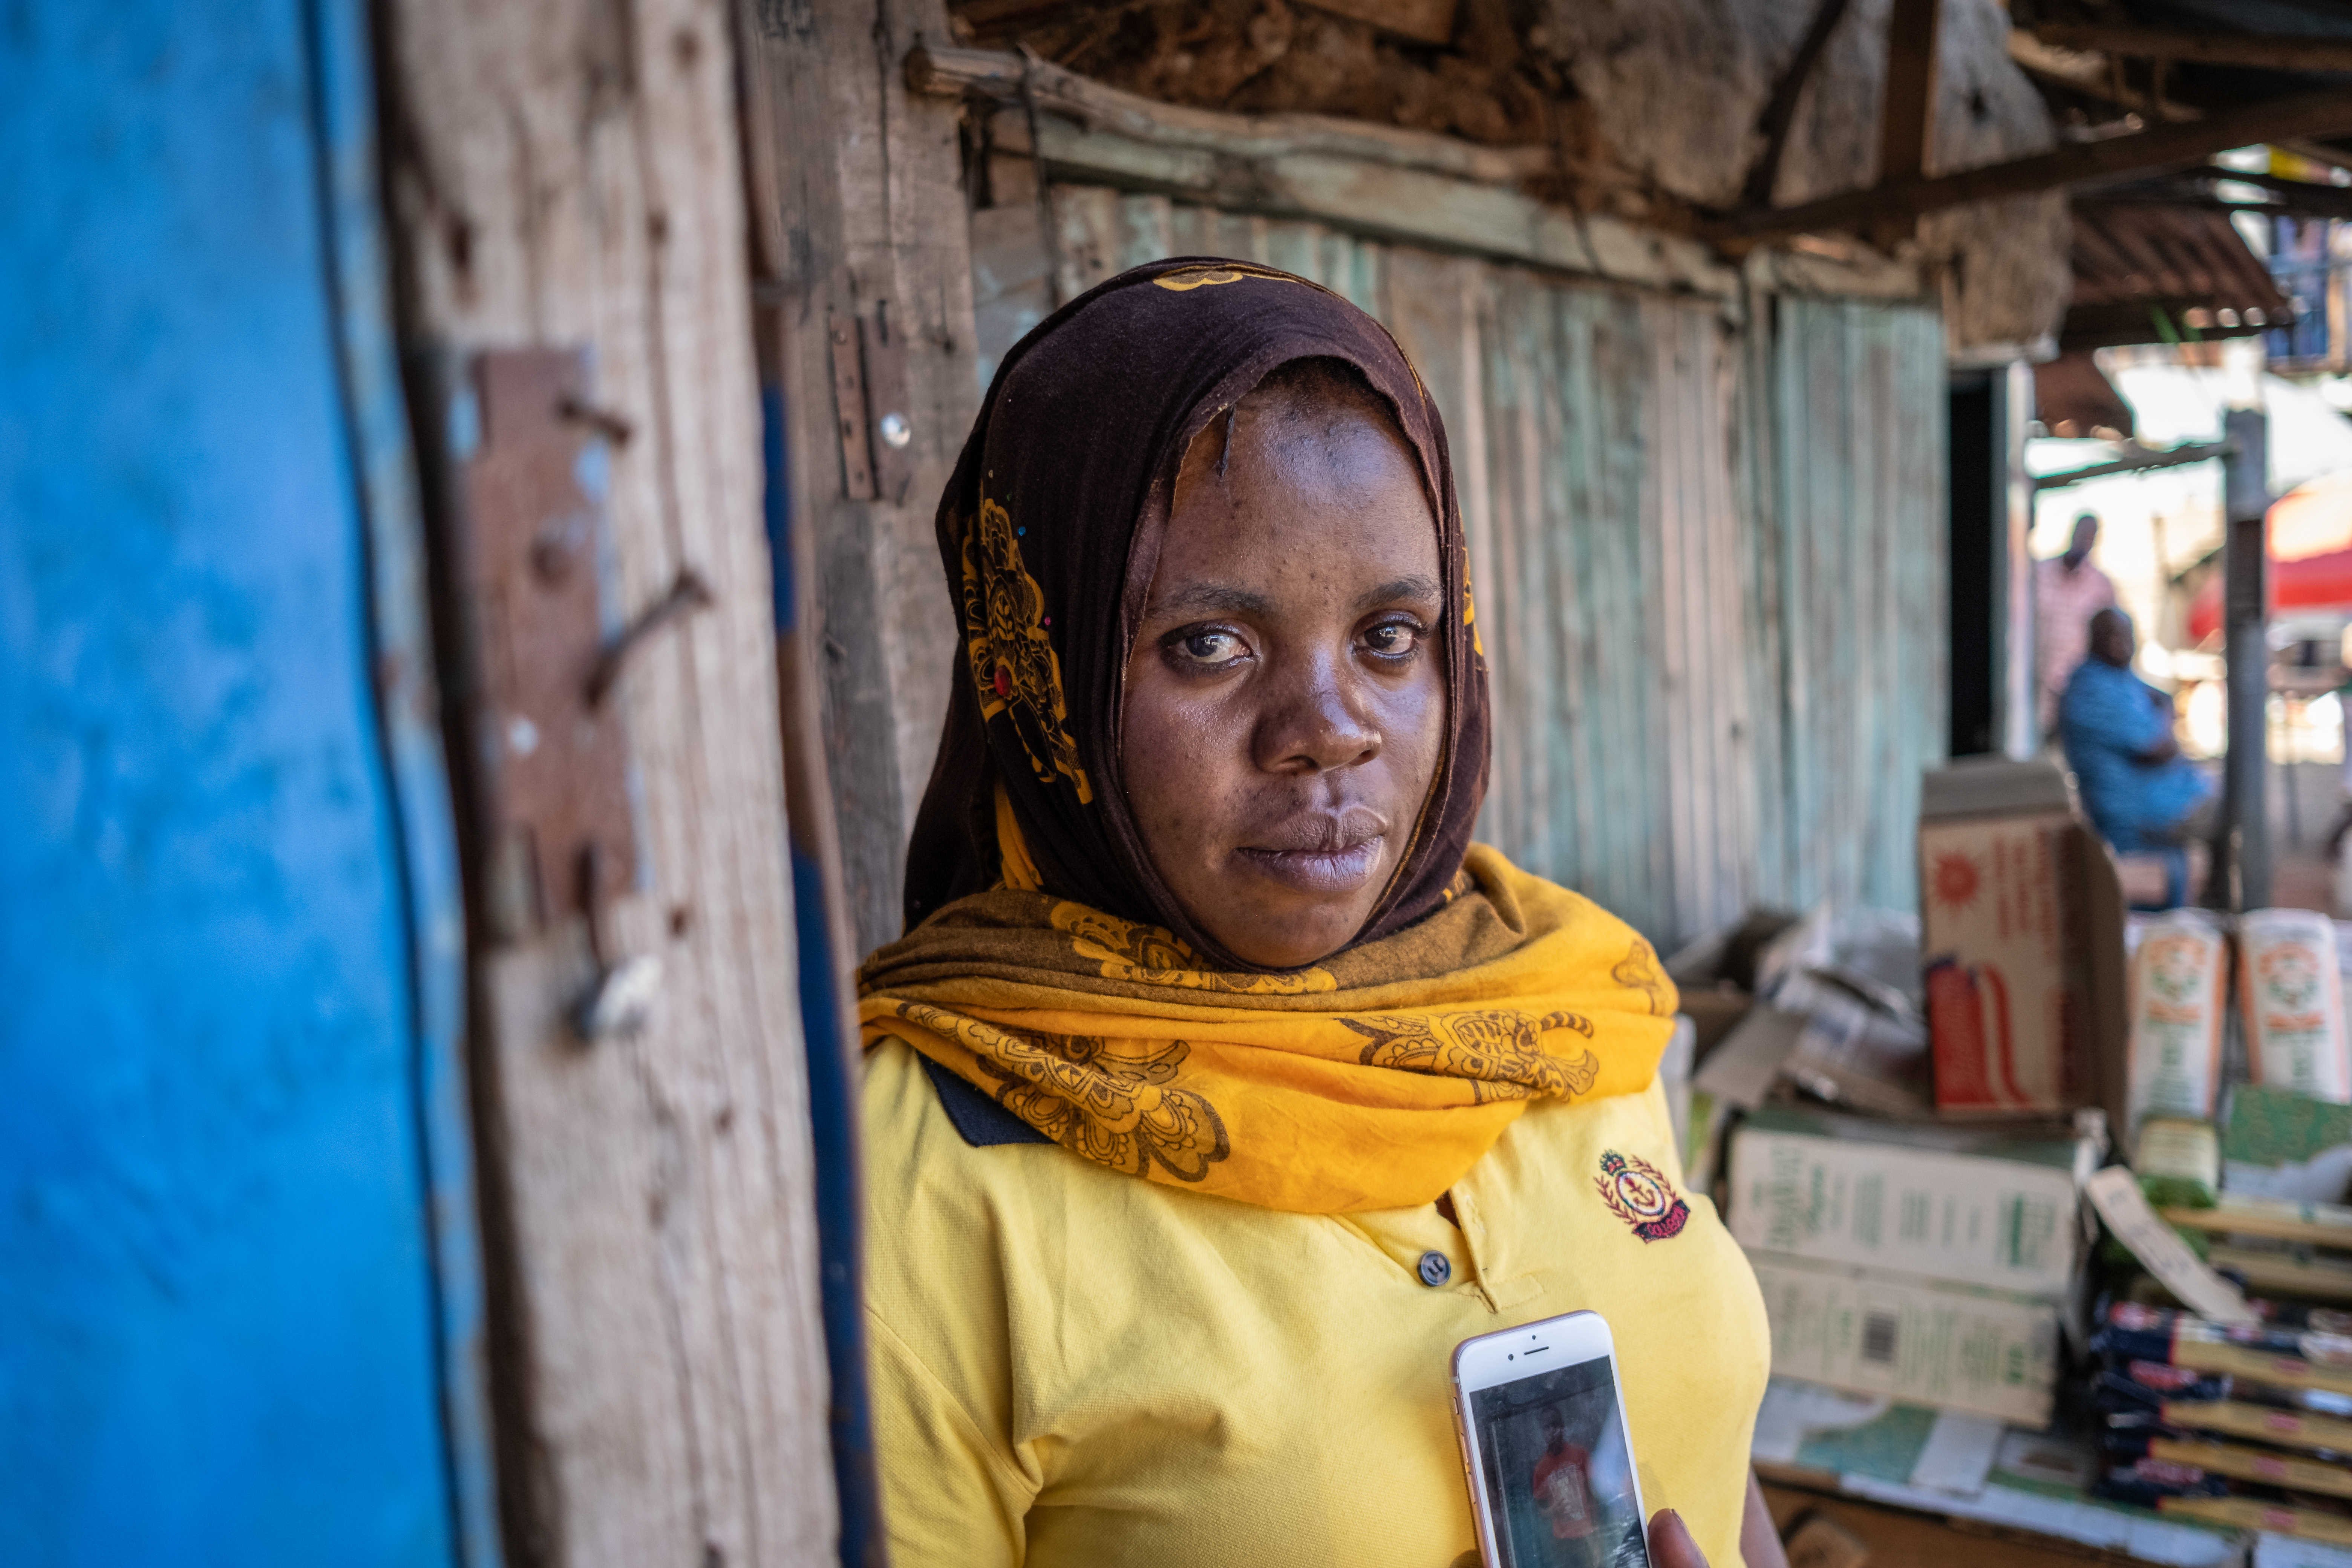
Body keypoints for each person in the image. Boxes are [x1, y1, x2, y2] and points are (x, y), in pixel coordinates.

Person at [857, 258, 1778, 1568]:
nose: (1327, 734)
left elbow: (1718, 1468)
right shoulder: (920, 1184)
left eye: (1390, 637)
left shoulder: (1569, 1001)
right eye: (1207, 645)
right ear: (1042, 676)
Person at [2060, 608, 2216, 908]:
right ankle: (2219, 910)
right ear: (2093, 641)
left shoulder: (2118, 678)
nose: (2123, 645)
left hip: (2159, 800)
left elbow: (2162, 700)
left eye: (2127, 637)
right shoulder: (2093, 688)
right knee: (2237, 810)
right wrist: (2166, 718)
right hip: (2133, 813)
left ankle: (2203, 915)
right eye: (2113, 637)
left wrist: (2163, 712)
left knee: (2225, 799)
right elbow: (2159, 750)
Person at [2037, 512, 2117, 741]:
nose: (2084, 540)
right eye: (2082, 533)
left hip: (2075, 688)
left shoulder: (2101, 586)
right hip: (2038, 684)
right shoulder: (2040, 573)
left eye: (2090, 536)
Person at [1531, 1404, 1599, 1565]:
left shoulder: (1580, 1454)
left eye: (1555, 1425)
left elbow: (1594, 1496)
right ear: (1542, 1432)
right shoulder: (1541, 1469)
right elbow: (1539, 1511)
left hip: (1586, 1534)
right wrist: (1552, 1511)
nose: (1552, 1430)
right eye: (1547, 1427)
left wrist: (1597, 1538)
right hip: (1562, 1541)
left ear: (1563, 1426)